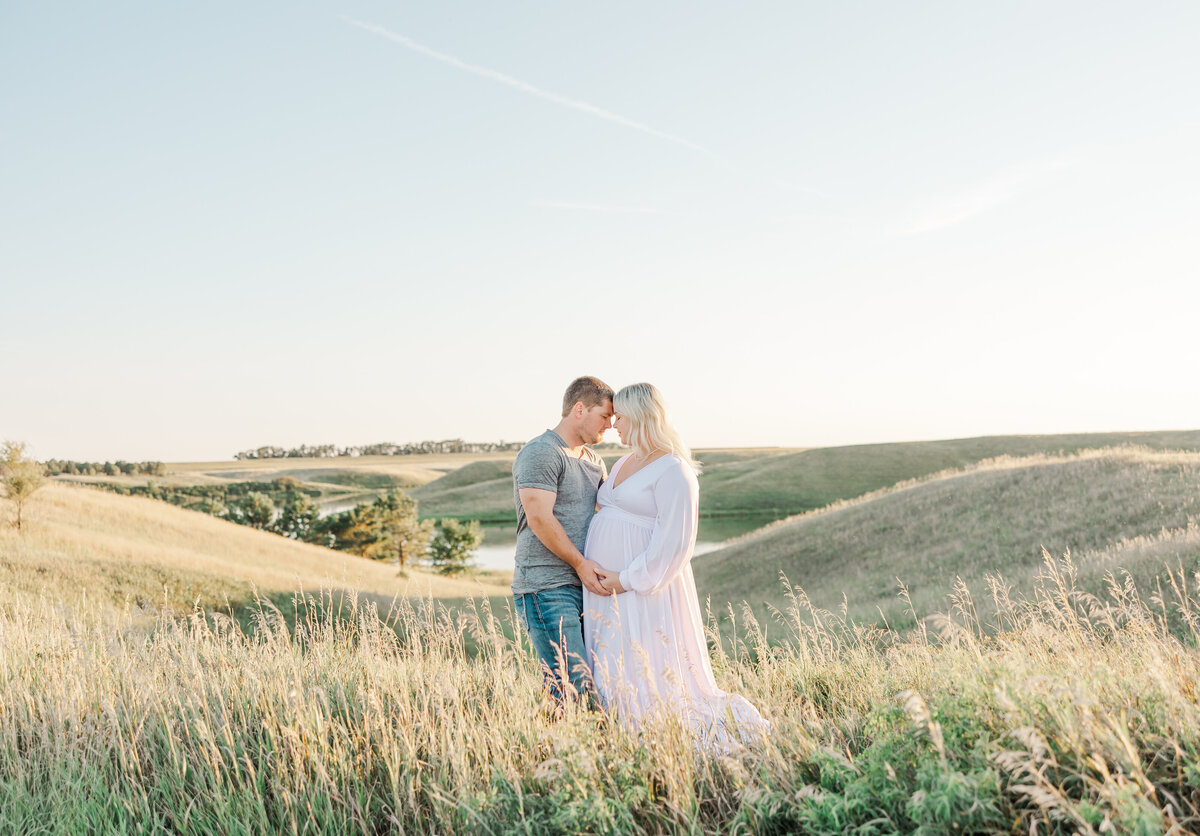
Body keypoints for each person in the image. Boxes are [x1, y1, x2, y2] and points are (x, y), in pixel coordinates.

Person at [585, 382, 768, 748]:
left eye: (619, 417)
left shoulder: (674, 469)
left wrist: (627, 578)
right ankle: (614, 729)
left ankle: (653, 734)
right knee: (609, 654)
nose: (613, 425)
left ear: (639, 417)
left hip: (642, 588)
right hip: (606, 590)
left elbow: (675, 542)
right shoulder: (625, 460)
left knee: (645, 662)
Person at [512, 376, 614, 706]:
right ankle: (577, 752)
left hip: (583, 586)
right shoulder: (541, 452)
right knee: (575, 685)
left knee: (571, 684)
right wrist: (581, 564)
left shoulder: (594, 462)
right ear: (579, 409)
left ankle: (550, 750)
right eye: (605, 416)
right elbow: (540, 518)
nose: (610, 426)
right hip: (546, 584)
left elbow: (613, 514)